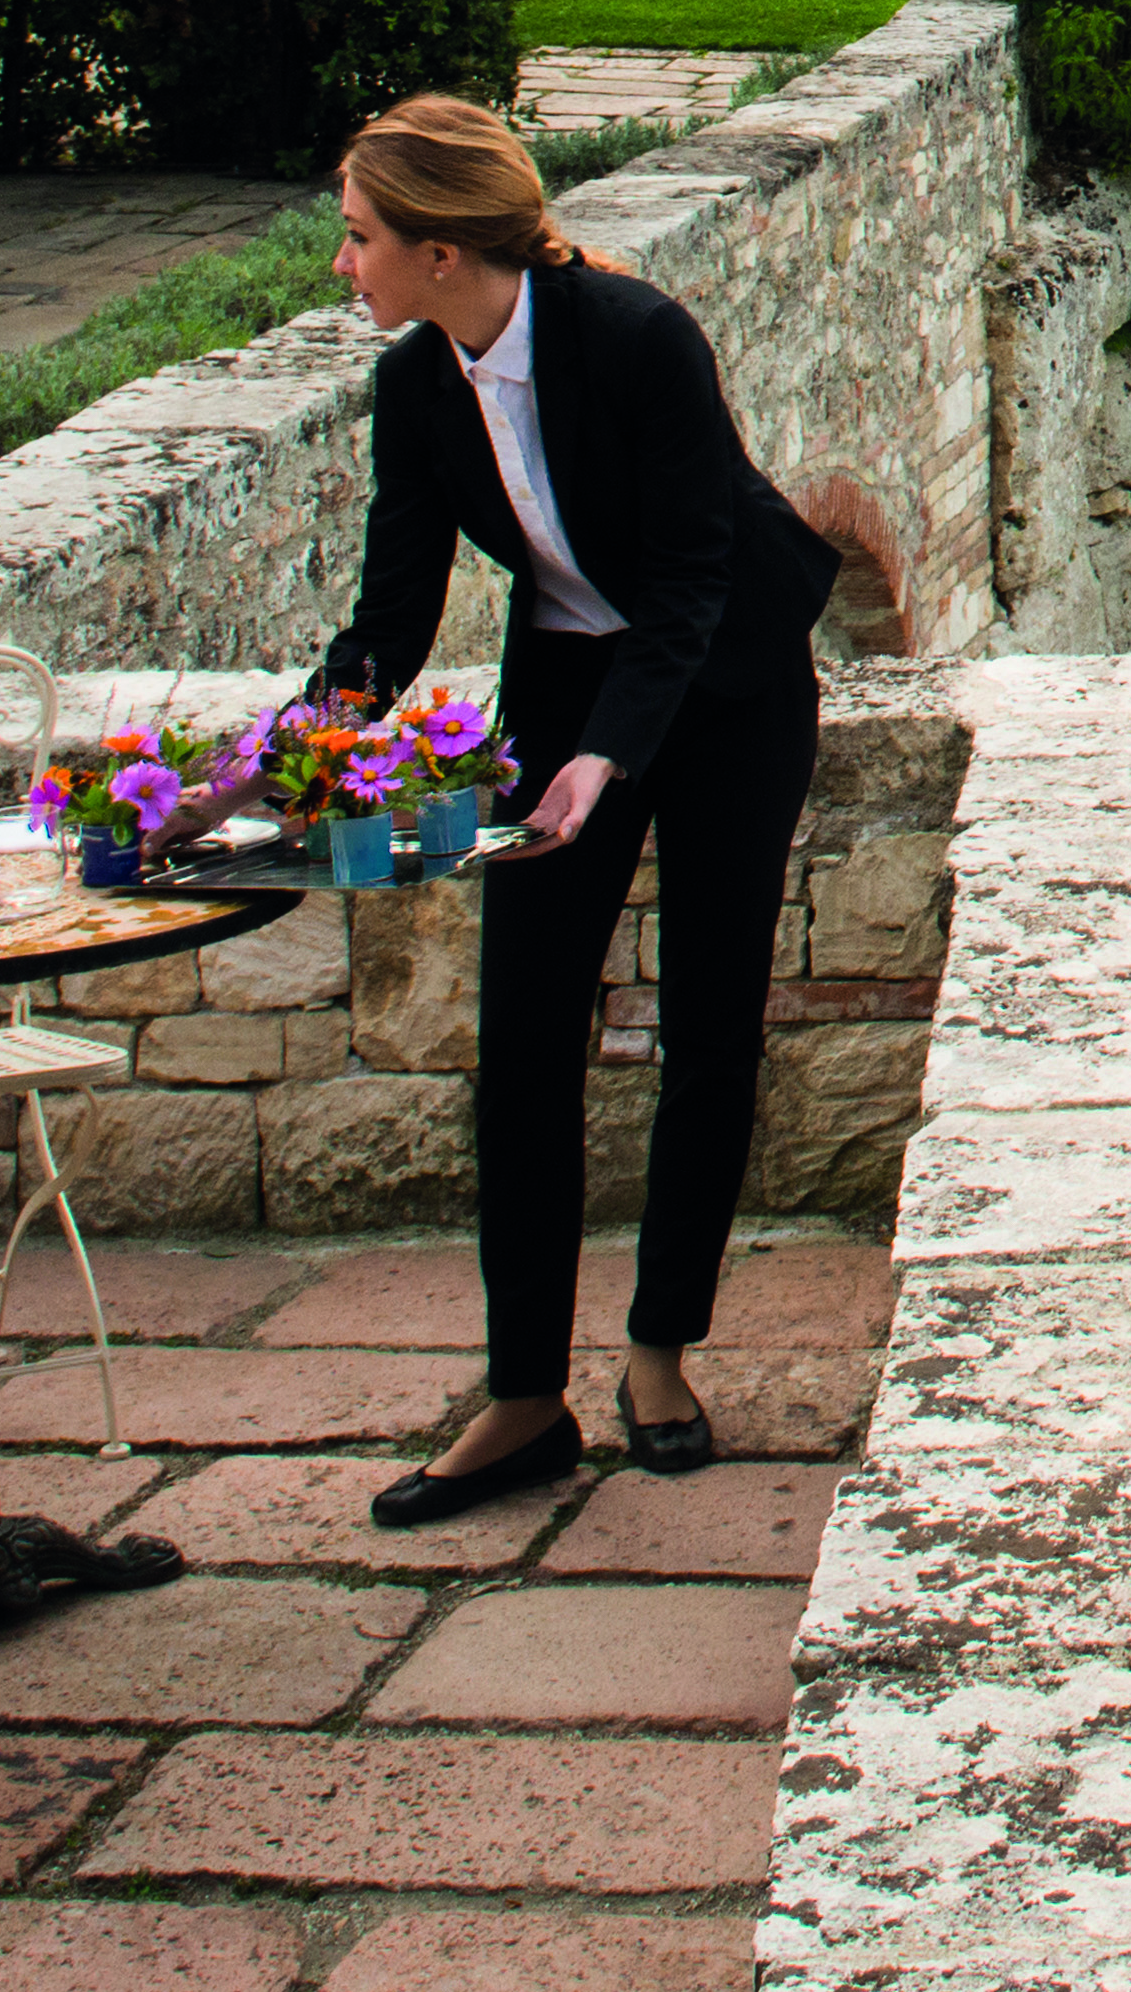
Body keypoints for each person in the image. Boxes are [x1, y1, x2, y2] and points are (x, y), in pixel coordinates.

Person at [309, 91, 843, 1528]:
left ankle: (660, 1353)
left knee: (709, 1024)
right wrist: (303, 740)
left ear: (437, 248)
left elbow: (686, 584)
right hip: (561, 693)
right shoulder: (416, 389)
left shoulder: (635, 338)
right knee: (525, 1038)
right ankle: (523, 1396)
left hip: (727, 689)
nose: (342, 267)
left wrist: (605, 762)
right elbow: (392, 613)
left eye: (359, 240)